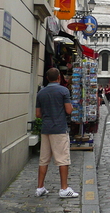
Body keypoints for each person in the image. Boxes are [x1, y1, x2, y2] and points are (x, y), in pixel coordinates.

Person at [35, 67, 79, 198]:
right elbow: (68, 110)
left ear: (47, 78)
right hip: (59, 128)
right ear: (59, 77)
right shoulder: (63, 91)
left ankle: (40, 187)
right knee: (63, 159)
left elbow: (38, 114)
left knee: (43, 160)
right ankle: (64, 188)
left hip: (46, 129)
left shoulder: (41, 93)